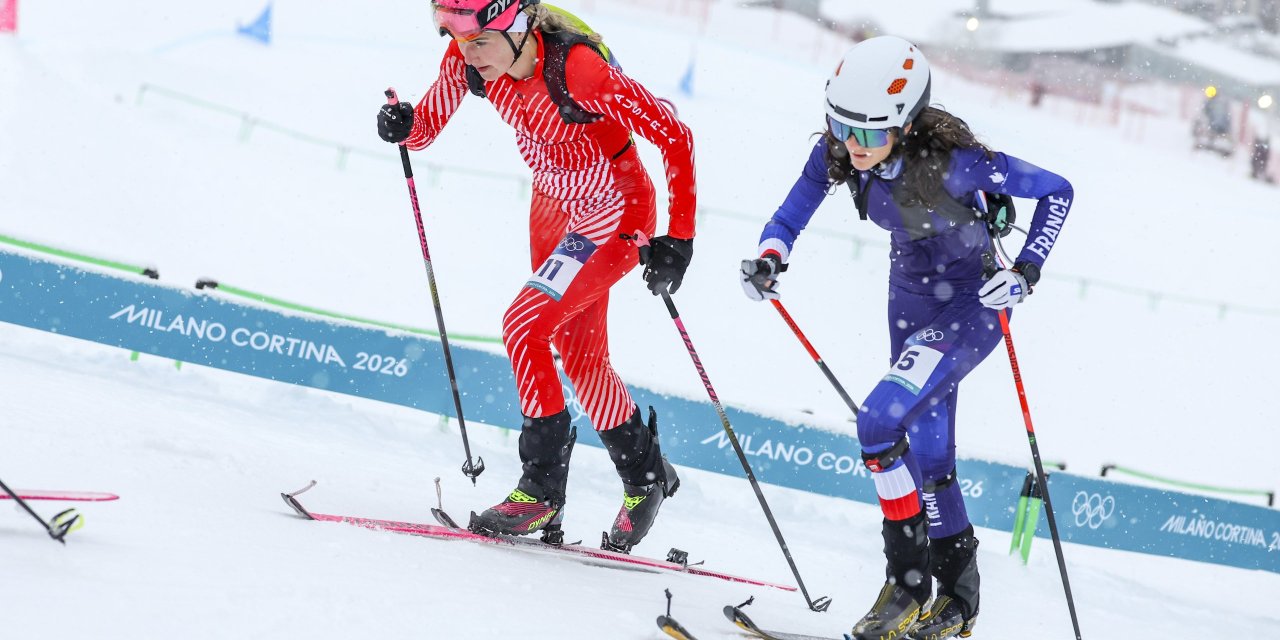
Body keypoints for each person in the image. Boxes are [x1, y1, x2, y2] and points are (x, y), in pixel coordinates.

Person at [739, 36, 1073, 639]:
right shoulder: (842, 153)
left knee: (877, 423)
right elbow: (791, 212)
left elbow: (1057, 192)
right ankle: (959, 595)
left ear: (905, 123)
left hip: (969, 310)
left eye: (867, 134)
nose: (850, 144)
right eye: (840, 126)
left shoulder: (954, 163)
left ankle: (909, 582)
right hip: (909, 307)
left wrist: (1025, 271)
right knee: (928, 455)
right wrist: (770, 256)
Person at [377, 0, 697, 553]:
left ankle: (541, 486)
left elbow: (675, 136)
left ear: (518, 25)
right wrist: (405, 124)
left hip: (615, 208)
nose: (470, 55)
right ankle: (646, 476)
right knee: (580, 355)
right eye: (456, 39)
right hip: (553, 209)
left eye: (481, 41)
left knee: (524, 325)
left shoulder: (580, 71)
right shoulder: (470, 61)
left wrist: (680, 239)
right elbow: (426, 125)